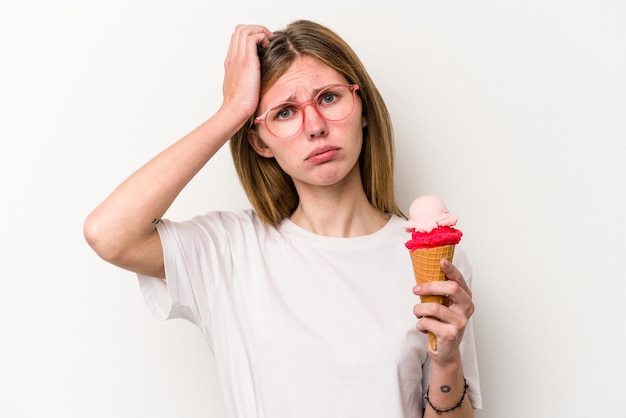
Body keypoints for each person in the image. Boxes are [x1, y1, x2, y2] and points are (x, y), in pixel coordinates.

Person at [84, 19, 482, 418]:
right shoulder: (231, 250)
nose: (315, 127)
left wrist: (447, 363)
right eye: (285, 113)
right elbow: (109, 233)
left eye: (329, 98)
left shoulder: (427, 257)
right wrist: (232, 111)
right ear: (259, 140)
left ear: (363, 109)